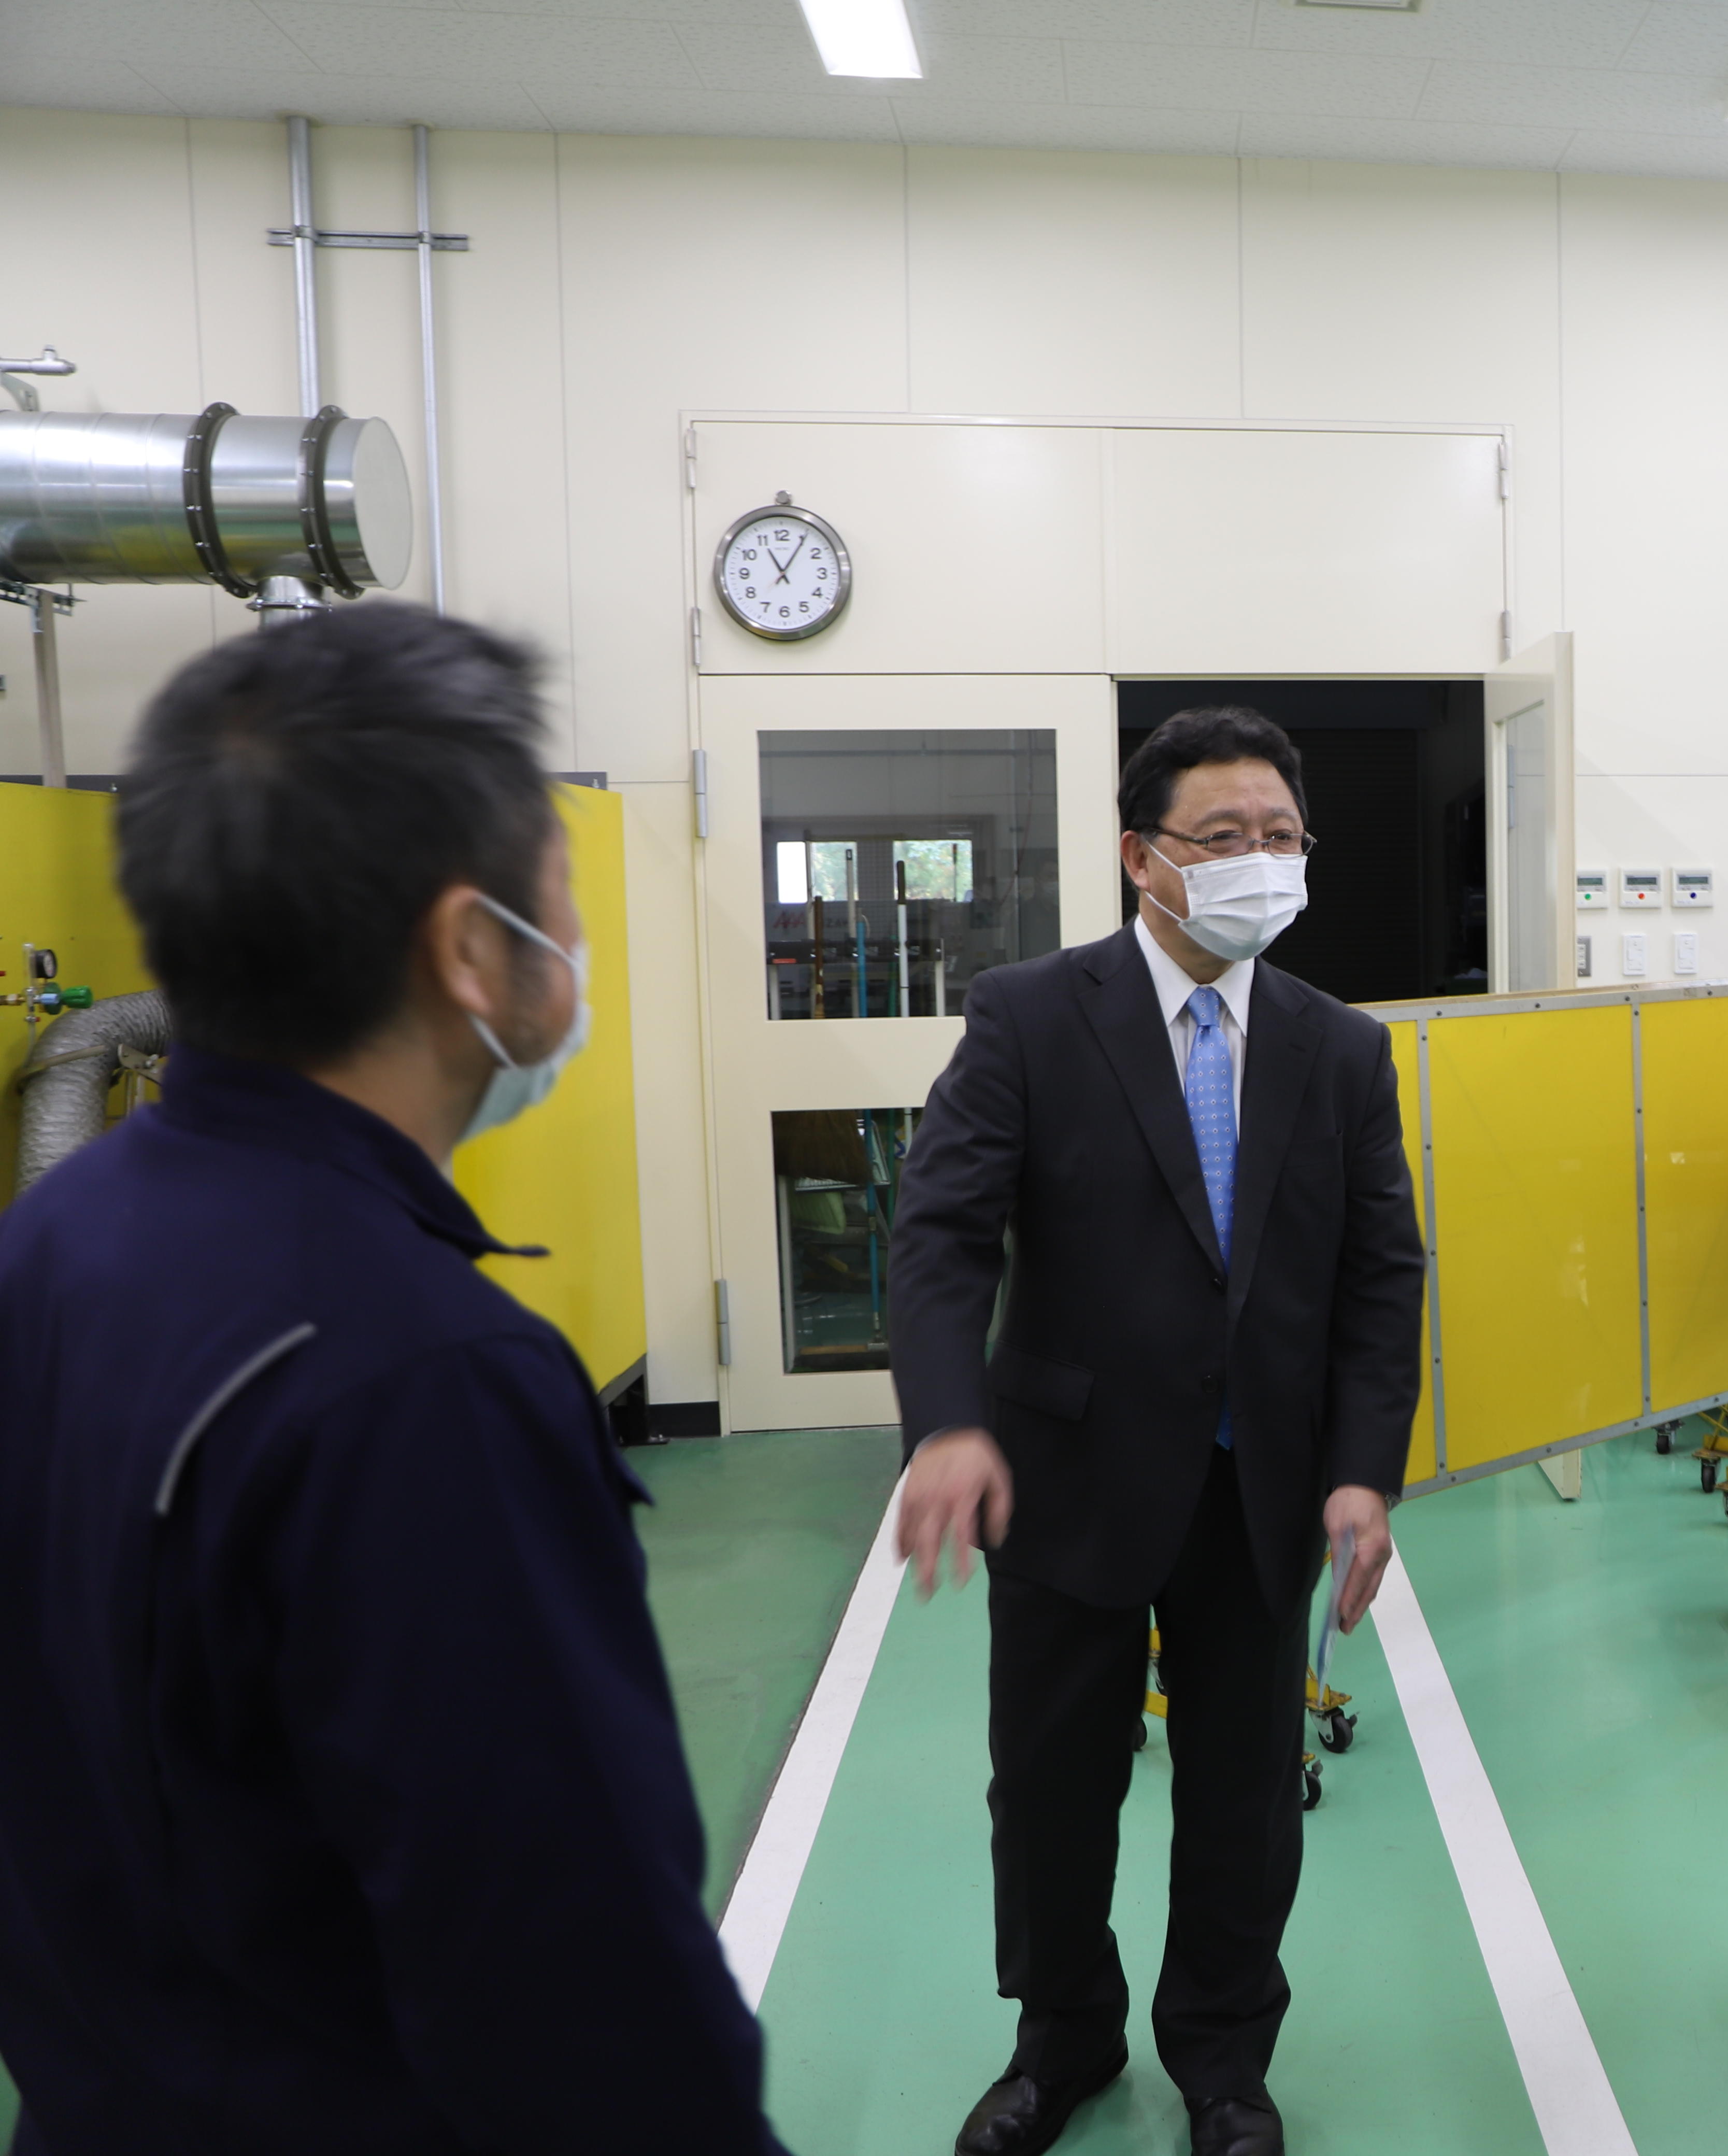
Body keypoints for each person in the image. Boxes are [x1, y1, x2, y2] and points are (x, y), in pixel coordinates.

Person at [0, 607, 785, 2153]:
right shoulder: (420, 1375)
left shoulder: (58, 1239)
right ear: (469, 943)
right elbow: (574, 1991)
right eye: (558, 874)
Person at [886, 706, 1424, 2156]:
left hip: (1262, 1487)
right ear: (1143, 858)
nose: (1262, 863)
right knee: (1055, 1789)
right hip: (1067, 1478)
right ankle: (1060, 2039)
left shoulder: (1338, 1049)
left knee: (1247, 1799)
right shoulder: (1030, 1015)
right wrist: (946, 1421)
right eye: (1224, 838)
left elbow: (1384, 1272)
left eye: (1283, 838)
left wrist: (1367, 1468)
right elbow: (940, 1235)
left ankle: (1224, 2060)